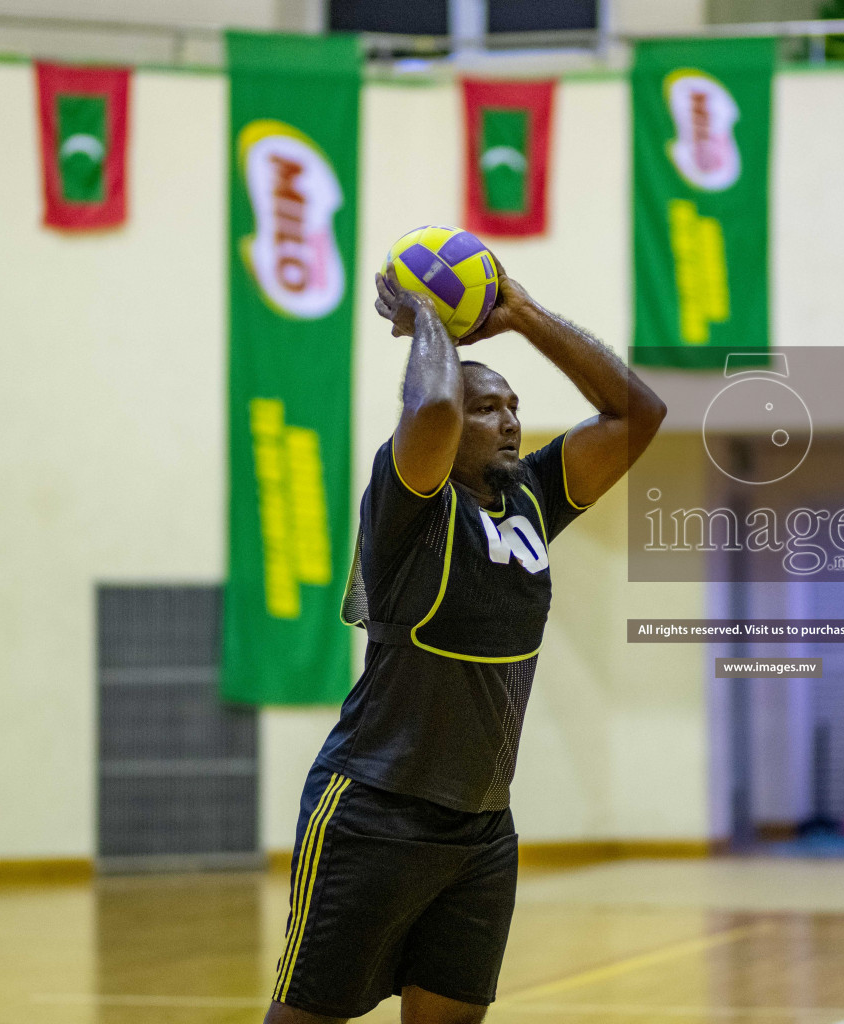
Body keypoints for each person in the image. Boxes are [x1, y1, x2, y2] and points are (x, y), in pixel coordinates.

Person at [263, 259, 666, 1024]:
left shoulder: (533, 498)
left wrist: (522, 313)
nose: (509, 419)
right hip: (374, 807)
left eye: (514, 406)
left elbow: (637, 415)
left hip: (482, 828)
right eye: (490, 409)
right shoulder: (408, 501)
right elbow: (435, 409)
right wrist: (427, 322)